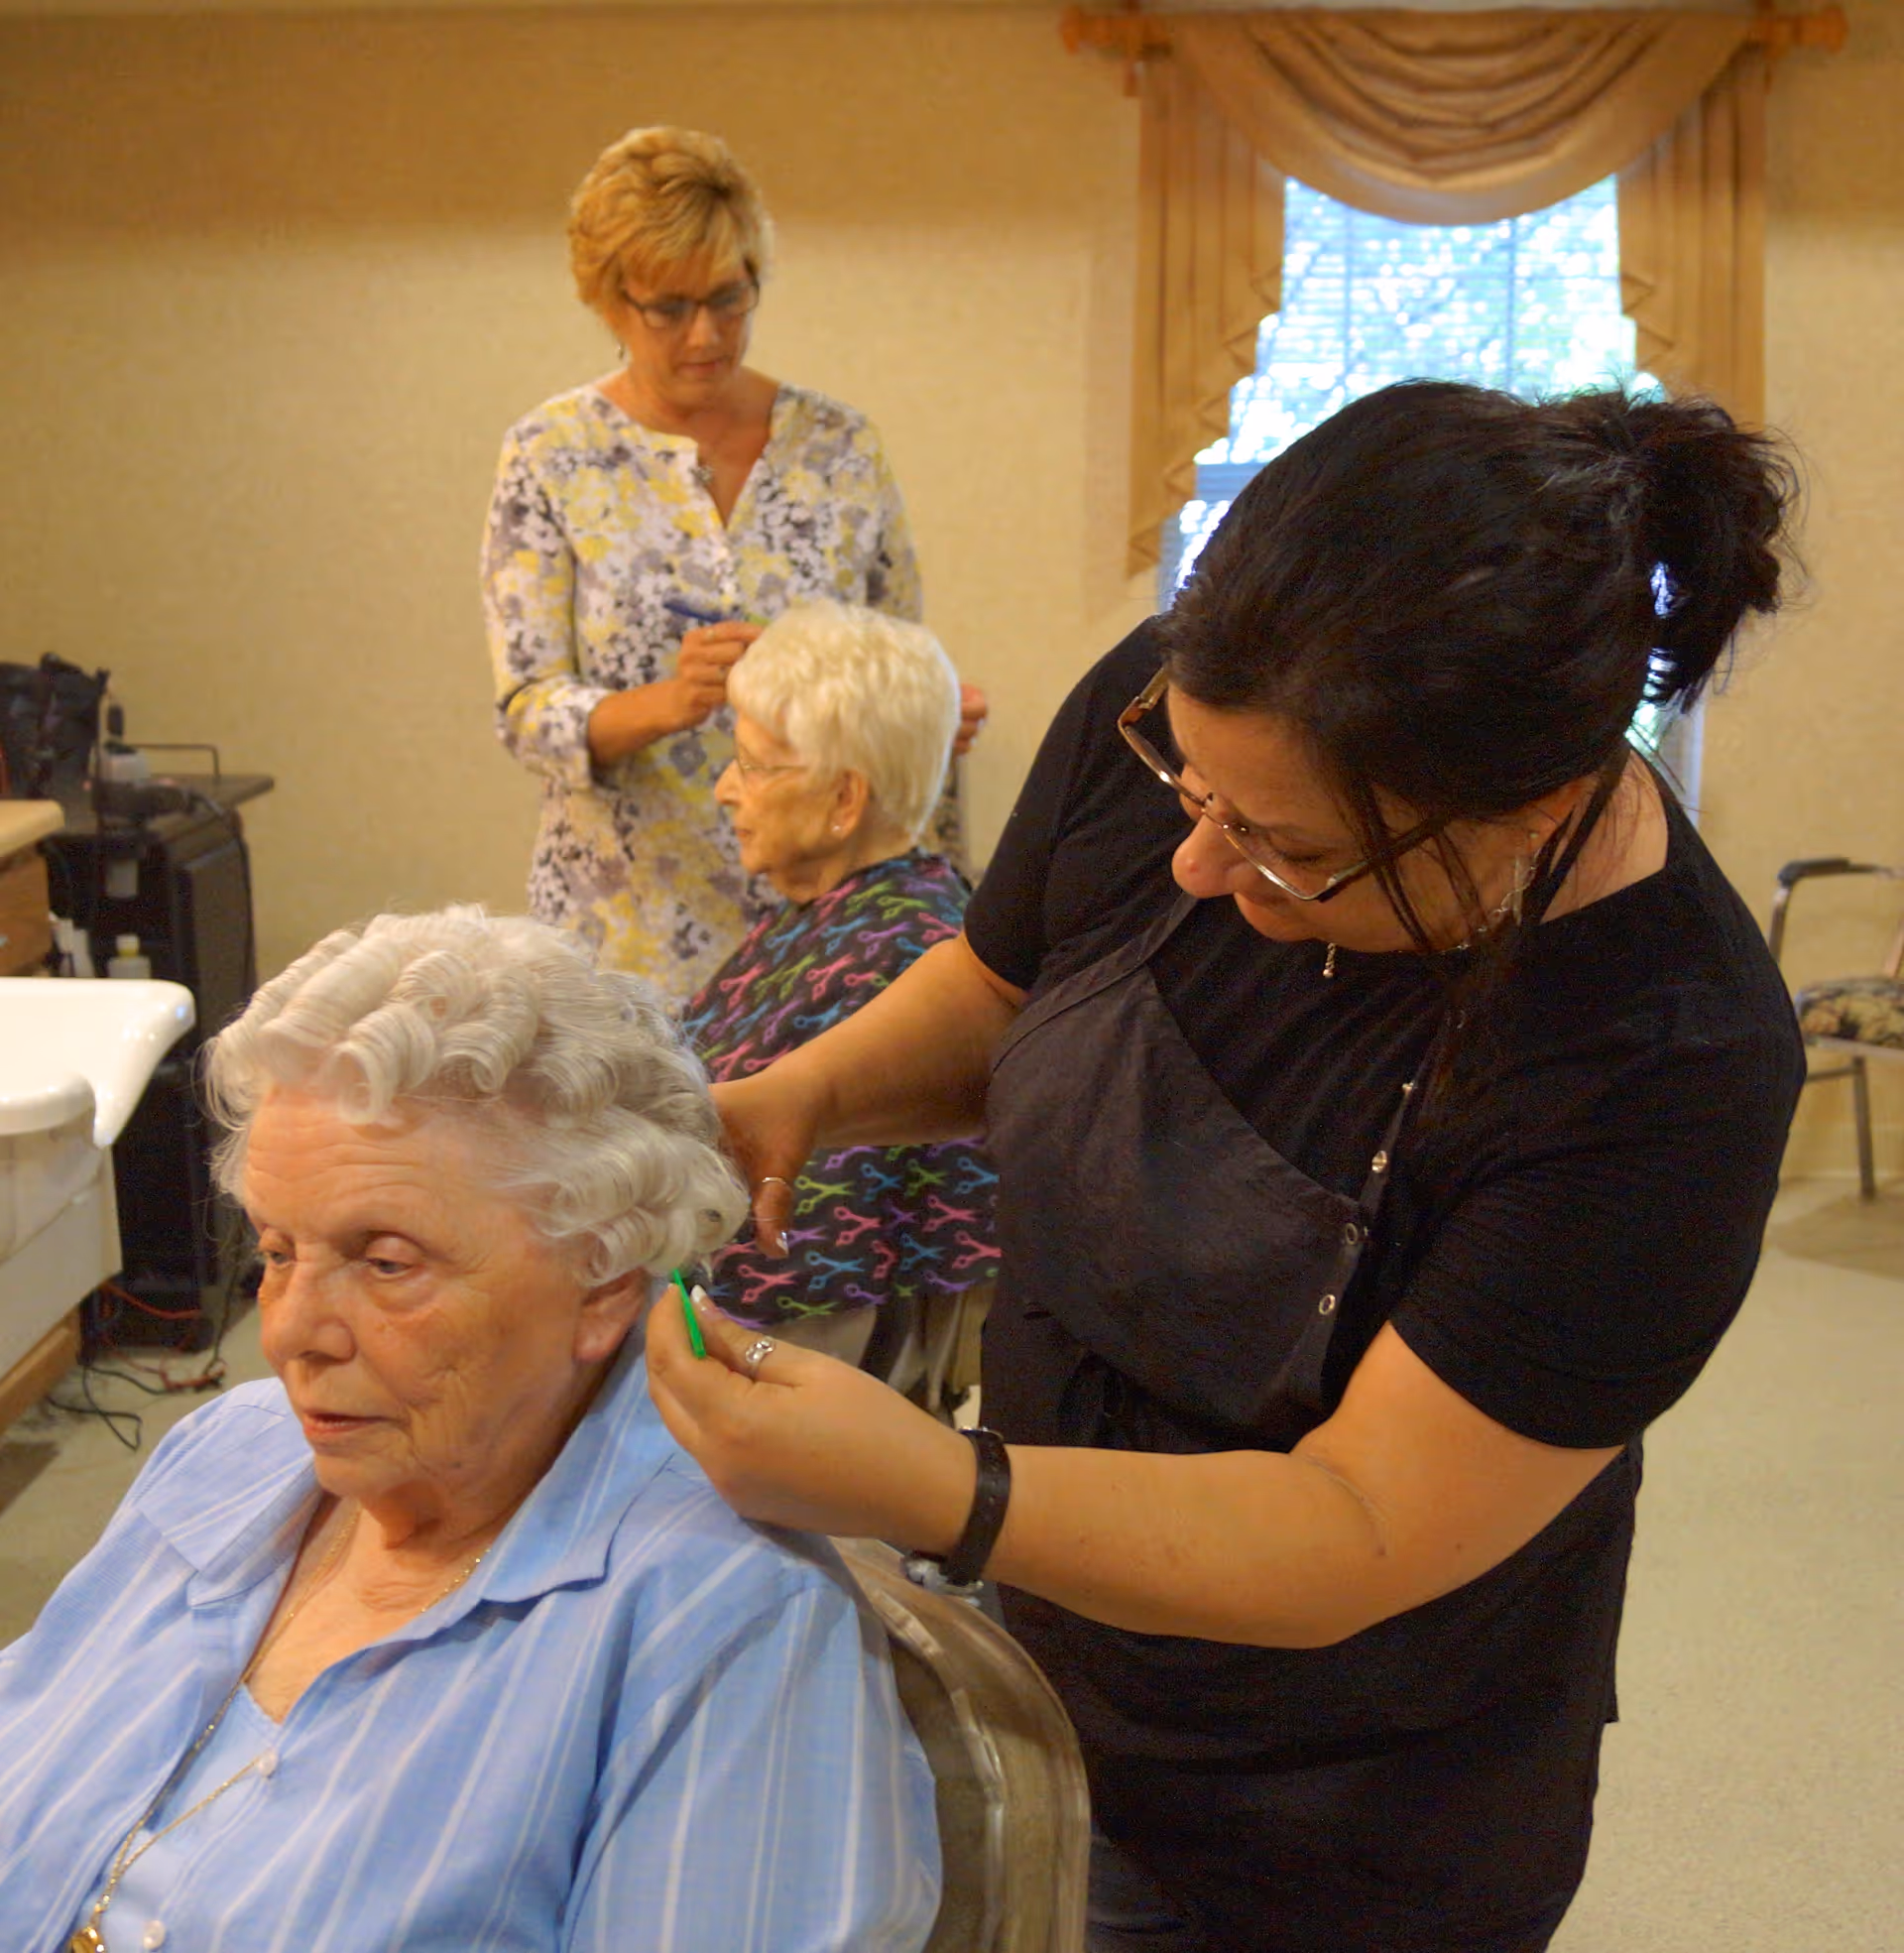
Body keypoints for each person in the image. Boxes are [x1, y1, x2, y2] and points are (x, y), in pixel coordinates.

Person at [645, 383, 1808, 1953]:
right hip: (1045, 1630)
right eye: (1188, 789)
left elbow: (1357, 1524)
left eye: (1290, 849)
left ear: (1533, 811)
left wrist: (936, 1483)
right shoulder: (1208, 707)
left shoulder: (1664, 1060)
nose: (1198, 861)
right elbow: (1004, 989)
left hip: (1333, 1799)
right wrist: (799, 1097)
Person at [0, 909, 938, 1952]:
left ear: (604, 1279)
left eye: (387, 1261)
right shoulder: (224, 1453)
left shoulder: (719, 1620)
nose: (291, 1334)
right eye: (276, 1250)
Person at [483, 124, 984, 1007]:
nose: (707, 334)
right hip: (625, 922)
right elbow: (527, 711)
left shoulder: (839, 446)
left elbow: (896, 650)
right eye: (668, 308)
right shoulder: (549, 453)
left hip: (829, 922)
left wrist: (924, 718)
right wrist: (664, 705)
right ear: (608, 301)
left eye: (730, 297)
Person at [681, 600, 999, 1372]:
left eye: (752, 765)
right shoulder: (830, 917)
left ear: (843, 800)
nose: (726, 789)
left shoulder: (899, 959)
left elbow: (805, 1308)